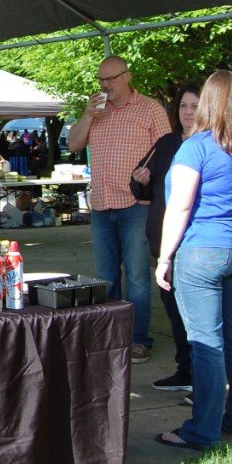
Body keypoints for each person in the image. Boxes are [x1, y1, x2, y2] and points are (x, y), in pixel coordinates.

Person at [154, 71, 232, 450]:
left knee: (205, 342)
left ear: (206, 103)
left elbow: (180, 206)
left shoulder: (196, 147)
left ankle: (201, 431)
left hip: (202, 250)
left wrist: (164, 257)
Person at [67, 55, 170, 363]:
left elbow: (166, 154)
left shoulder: (150, 109)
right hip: (101, 204)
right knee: (106, 276)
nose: (105, 85)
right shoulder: (95, 111)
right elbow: (73, 144)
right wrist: (87, 114)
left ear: (127, 77)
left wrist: (152, 193)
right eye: (100, 80)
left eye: (110, 79)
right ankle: (111, 336)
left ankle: (139, 339)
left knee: (138, 276)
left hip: (134, 204)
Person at [130, 83, 201, 393]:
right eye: (184, 106)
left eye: (195, 106)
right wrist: (139, 179)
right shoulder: (167, 143)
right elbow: (143, 189)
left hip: (193, 243)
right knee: (174, 311)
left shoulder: (209, 145)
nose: (188, 112)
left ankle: (202, 379)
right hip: (162, 242)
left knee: (195, 316)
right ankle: (186, 371)